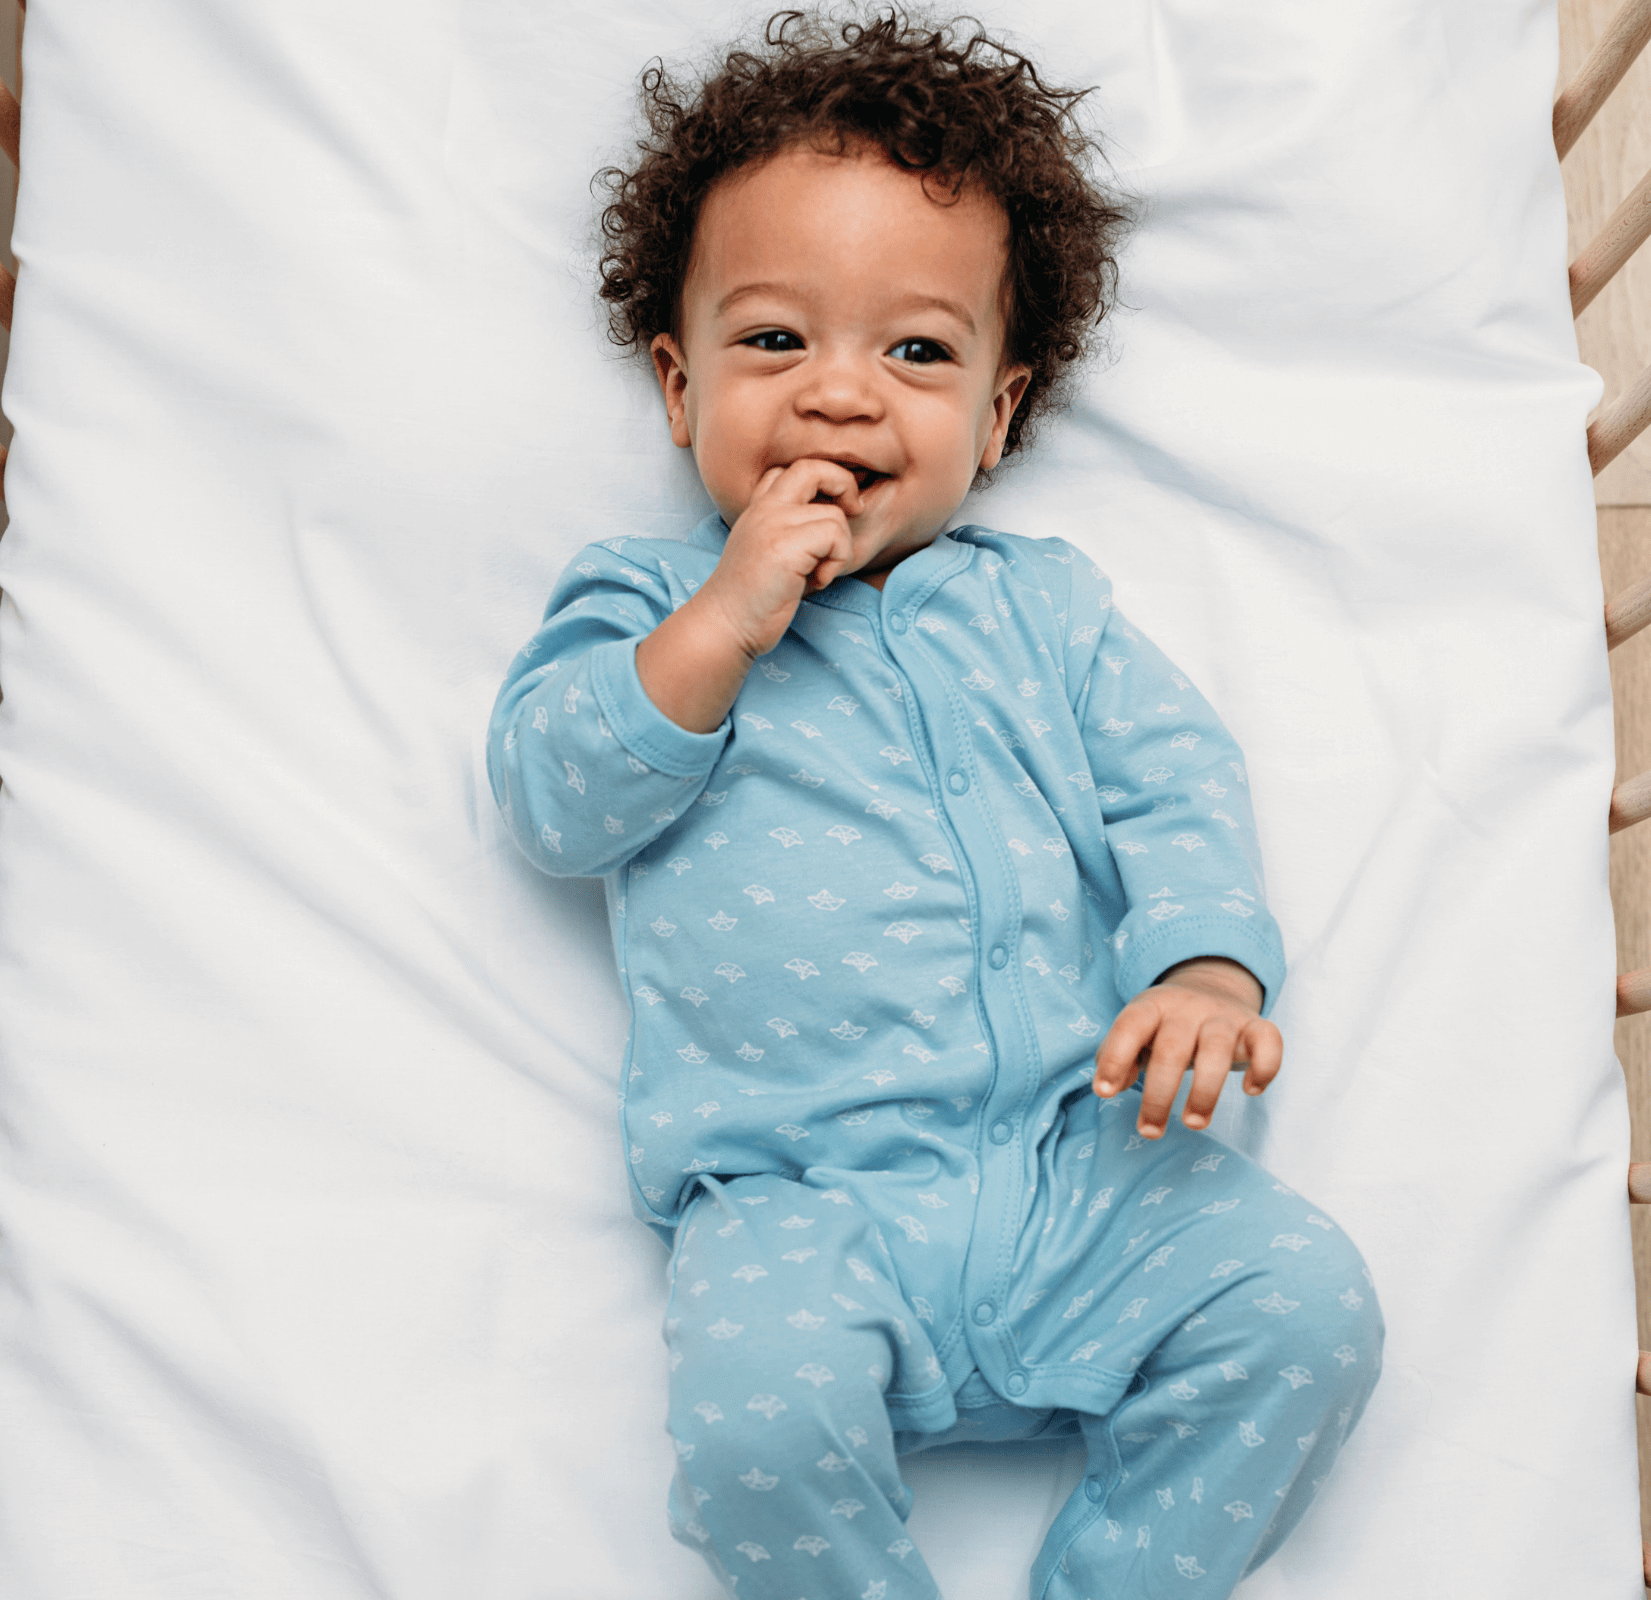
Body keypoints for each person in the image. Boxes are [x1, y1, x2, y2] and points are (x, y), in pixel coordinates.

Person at [487, 12, 1382, 1596]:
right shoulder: (643, 598)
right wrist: (722, 625)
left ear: (1002, 413)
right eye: (776, 344)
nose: (841, 396)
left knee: (1306, 1310)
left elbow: (1178, 783)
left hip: (1080, 1160)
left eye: (916, 353)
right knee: (757, 1432)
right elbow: (555, 801)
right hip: (799, 1203)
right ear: (677, 386)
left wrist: (1204, 969)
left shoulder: (1049, 611)